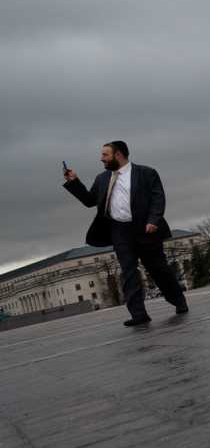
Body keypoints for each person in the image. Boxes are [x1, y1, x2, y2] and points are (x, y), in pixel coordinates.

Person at [62, 140, 188, 327]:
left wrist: (153, 220)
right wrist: (74, 182)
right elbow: (90, 200)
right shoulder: (102, 178)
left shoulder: (146, 173)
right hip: (119, 231)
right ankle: (138, 314)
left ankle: (179, 301)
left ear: (118, 155)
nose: (101, 158)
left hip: (145, 228)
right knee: (128, 273)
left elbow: (157, 198)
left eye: (105, 155)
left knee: (159, 269)